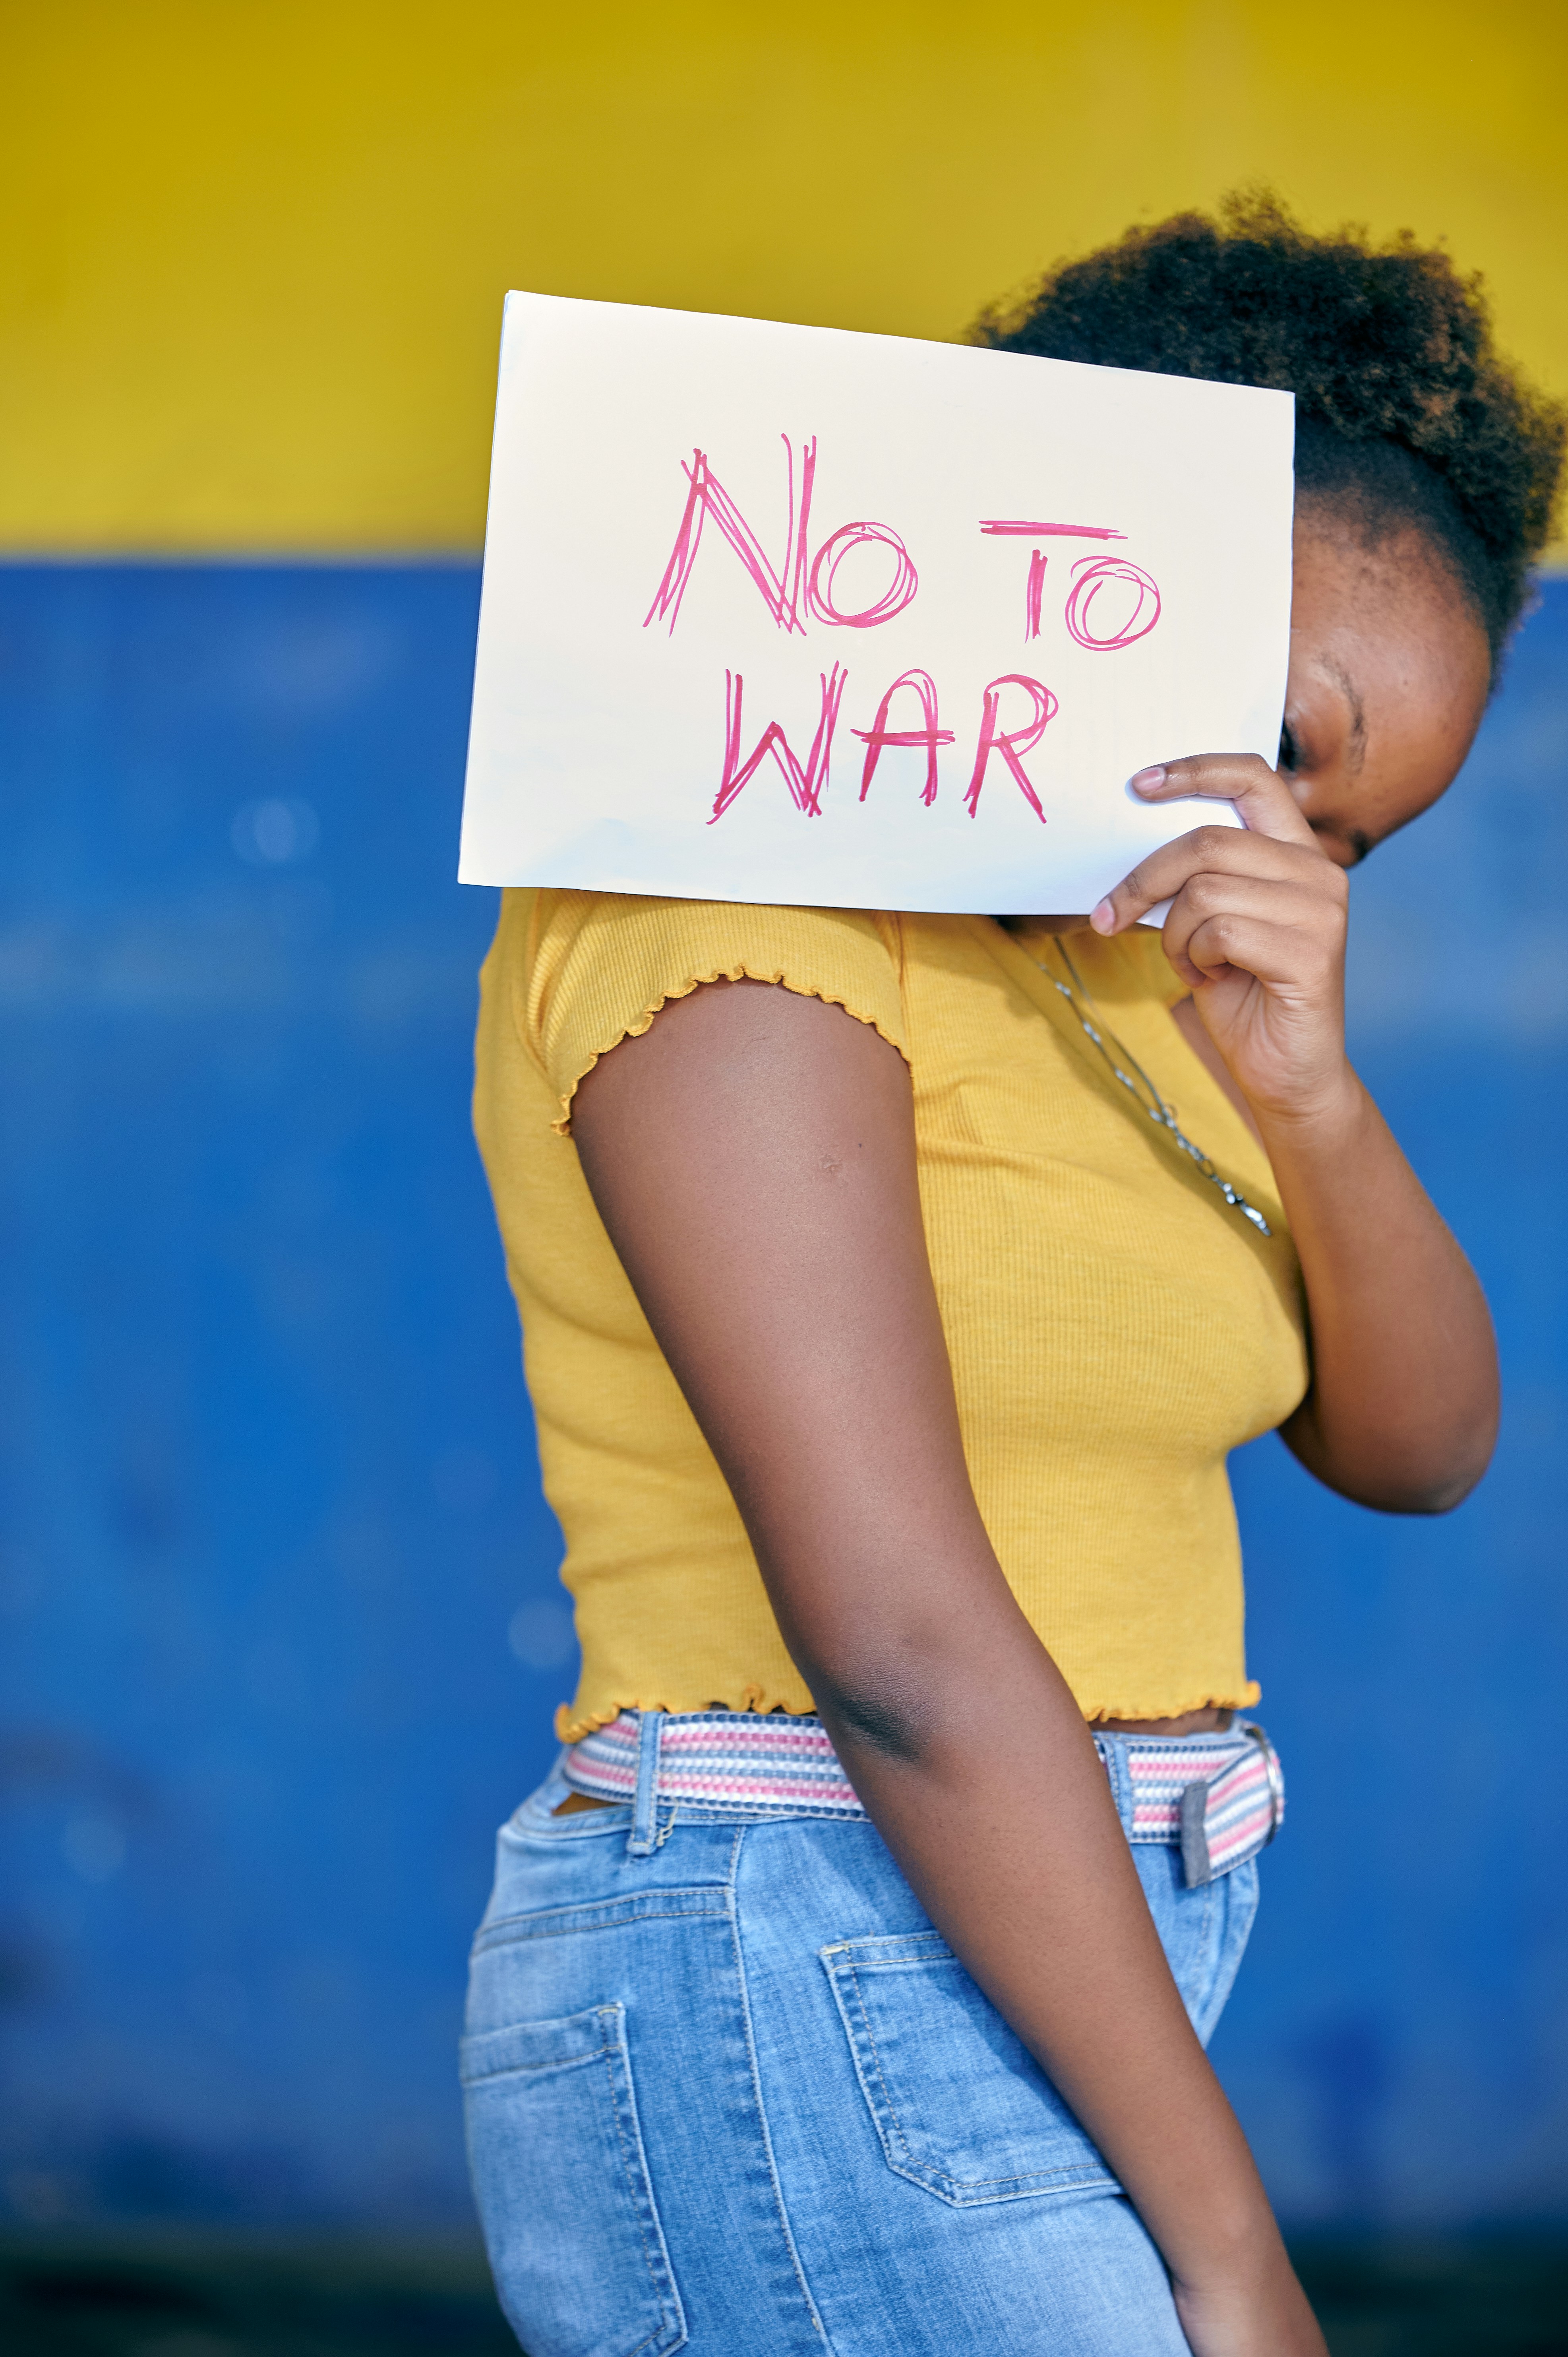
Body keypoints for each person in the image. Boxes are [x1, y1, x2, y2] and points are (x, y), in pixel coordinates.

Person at [461, 196, 1564, 2357]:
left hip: (1031, 1963)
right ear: (1074, 548)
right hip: (800, 1941)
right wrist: (1234, 2249)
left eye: (1351, 840)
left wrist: (1315, 1098)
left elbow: (1424, 1447)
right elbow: (896, 1638)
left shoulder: (1148, 972)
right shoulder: (730, 888)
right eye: (1286, 739)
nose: (1284, 848)